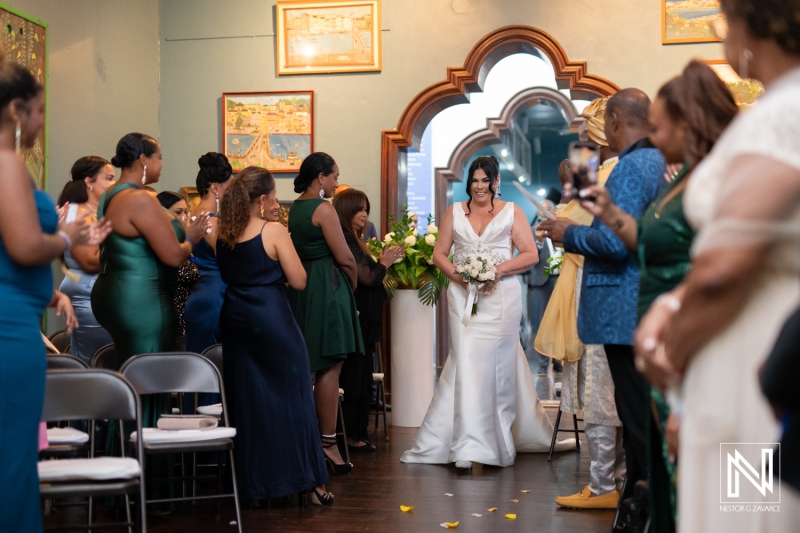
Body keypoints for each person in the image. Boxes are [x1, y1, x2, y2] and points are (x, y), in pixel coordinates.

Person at [634, 1, 800, 530]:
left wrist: (671, 358)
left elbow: (726, 268)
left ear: (753, 24)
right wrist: (673, 300)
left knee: (743, 515)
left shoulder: (783, 114)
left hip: (747, 363)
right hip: (748, 344)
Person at [578, 65, 738, 529]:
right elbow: (643, 240)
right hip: (669, 331)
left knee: (722, 452)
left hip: (701, 329)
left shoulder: (714, 181)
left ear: (690, 125)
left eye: (660, 124)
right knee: (669, 442)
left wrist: (671, 307)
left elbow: (717, 260)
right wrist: (607, 209)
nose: (651, 132)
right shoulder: (680, 178)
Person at [538, 89, 667, 516]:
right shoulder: (634, 164)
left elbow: (612, 240)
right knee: (630, 414)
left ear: (612, 123)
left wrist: (565, 232)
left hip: (619, 301)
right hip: (615, 298)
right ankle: (634, 495)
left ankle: (643, 503)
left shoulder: (629, 165)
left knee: (631, 413)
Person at [401, 155, 573, 469]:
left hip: (501, 299)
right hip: (462, 296)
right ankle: (467, 445)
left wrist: (496, 271)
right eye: (474, 180)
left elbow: (530, 255)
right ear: (469, 183)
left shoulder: (512, 213)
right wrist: (460, 276)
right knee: (465, 359)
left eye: (485, 180)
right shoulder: (454, 212)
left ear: (495, 183)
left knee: (498, 365)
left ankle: (496, 438)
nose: (479, 186)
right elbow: (440, 254)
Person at [0, 61, 109, 530]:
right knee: (13, 460)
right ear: (14, 110)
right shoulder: (4, 162)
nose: (42, 121)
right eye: (39, 111)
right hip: (8, 334)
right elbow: (25, 246)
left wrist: (47, 294)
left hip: (17, 314)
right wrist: (65, 236)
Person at [217, 166, 332, 505]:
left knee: (248, 401)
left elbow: (227, 272)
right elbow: (298, 280)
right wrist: (276, 274)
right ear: (264, 197)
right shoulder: (274, 230)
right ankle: (310, 483)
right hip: (271, 317)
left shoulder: (223, 231)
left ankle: (253, 486)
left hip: (235, 315)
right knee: (294, 398)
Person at [536, 97, 625, 511]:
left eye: (587, 137)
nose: (584, 146)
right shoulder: (608, 172)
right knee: (607, 390)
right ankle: (617, 479)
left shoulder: (611, 173)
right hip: (596, 286)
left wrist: (564, 229)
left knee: (600, 391)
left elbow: (600, 234)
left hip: (600, 288)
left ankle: (604, 482)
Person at [288, 152, 363, 475]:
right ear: (320, 177)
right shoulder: (323, 208)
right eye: (333, 177)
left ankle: (303, 441)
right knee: (331, 365)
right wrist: (352, 283)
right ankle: (328, 443)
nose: (335, 183)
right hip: (327, 288)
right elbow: (345, 257)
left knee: (307, 366)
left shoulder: (294, 209)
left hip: (302, 287)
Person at [332, 188, 403, 452]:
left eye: (366, 209)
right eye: (359, 210)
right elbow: (368, 278)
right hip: (356, 321)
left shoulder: (355, 240)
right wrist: (384, 262)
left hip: (363, 322)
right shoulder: (348, 241)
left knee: (361, 379)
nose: (364, 215)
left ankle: (356, 434)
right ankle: (351, 436)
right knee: (354, 380)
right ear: (346, 212)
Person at [56, 156, 116, 363]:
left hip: (99, 289)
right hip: (86, 291)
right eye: (108, 178)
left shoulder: (98, 212)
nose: (113, 184)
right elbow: (89, 261)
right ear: (89, 182)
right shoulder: (76, 212)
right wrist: (127, 251)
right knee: (96, 361)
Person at [184, 152, 233, 355]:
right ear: (215, 188)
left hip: (203, 294)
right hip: (215, 298)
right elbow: (228, 259)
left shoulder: (195, 215)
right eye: (229, 188)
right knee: (213, 367)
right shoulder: (210, 221)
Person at [156, 191, 199, 337]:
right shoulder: (162, 244)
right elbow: (183, 271)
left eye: (186, 212)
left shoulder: (184, 241)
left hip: (189, 316)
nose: (184, 217)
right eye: (178, 212)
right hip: (170, 315)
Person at [526, 198, 562, 375]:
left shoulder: (562, 228)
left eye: (547, 208)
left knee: (561, 322)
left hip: (562, 279)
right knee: (542, 322)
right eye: (540, 209)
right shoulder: (532, 231)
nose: (543, 211)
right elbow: (530, 256)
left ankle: (558, 360)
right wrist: (539, 242)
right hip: (542, 281)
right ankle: (542, 364)